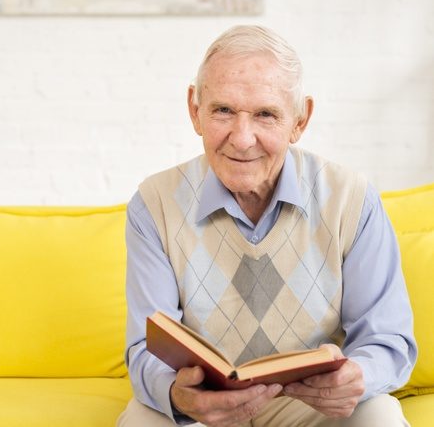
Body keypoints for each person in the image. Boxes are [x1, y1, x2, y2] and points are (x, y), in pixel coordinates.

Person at [117, 25, 417, 427]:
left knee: (380, 416)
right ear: (195, 110)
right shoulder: (153, 204)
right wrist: (177, 395)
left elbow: (387, 341)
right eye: (223, 110)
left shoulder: (353, 199)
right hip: (203, 412)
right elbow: (145, 349)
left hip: (314, 409)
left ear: (299, 119)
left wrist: (357, 377)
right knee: (140, 421)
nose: (242, 139)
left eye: (265, 114)